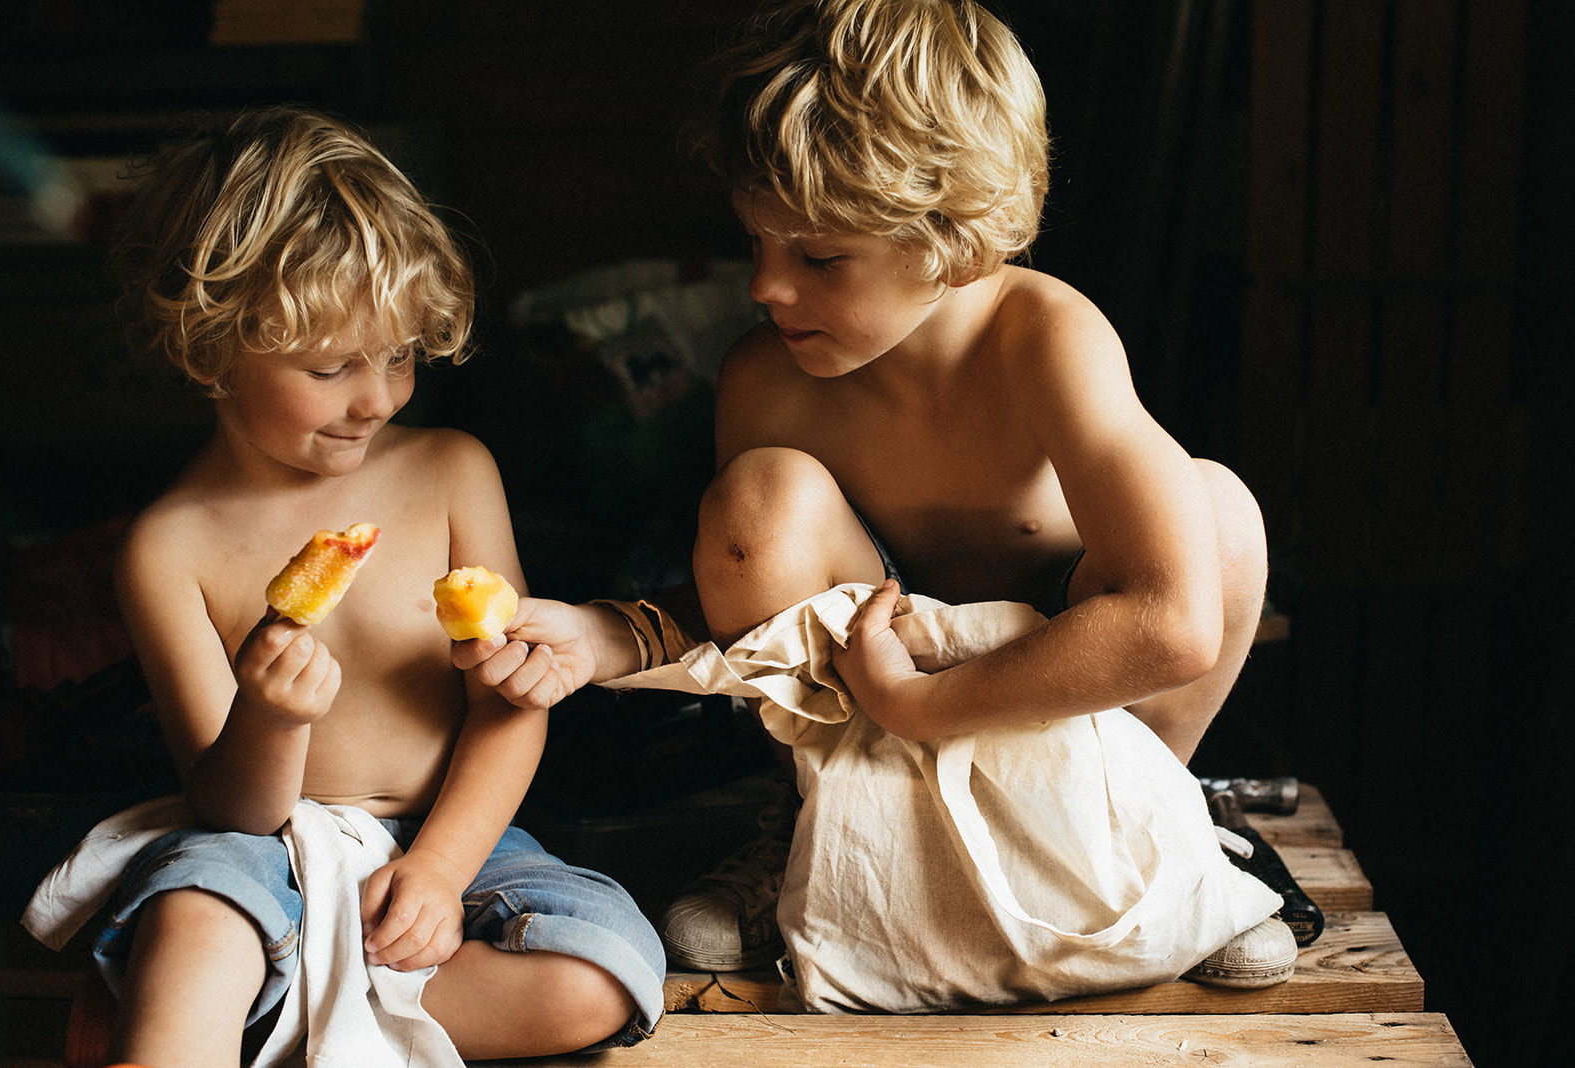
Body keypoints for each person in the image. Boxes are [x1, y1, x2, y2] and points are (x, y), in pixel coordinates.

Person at [460, 0, 1287, 988]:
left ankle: (1164, 840)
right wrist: (616, 634)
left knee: (1219, 516)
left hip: (1065, 699)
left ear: (952, 237)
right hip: (860, 712)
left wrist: (930, 705)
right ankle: (812, 822)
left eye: (815, 257)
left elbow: (1175, 623)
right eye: (755, 244)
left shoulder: (1047, 341)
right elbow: (753, 606)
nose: (765, 287)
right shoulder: (767, 380)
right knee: (758, 506)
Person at [83, 106, 665, 1065]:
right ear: (209, 346)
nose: (379, 397)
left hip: (455, 837)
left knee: (599, 973)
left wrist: (438, 870)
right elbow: (229, 808)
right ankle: (223, 1017)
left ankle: (300, 1016)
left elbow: (511, 705)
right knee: (194, 920)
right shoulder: (166, 547)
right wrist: (270, 720)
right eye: (330, 367)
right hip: (263, 850)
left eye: (398, 356)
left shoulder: (450, 471)